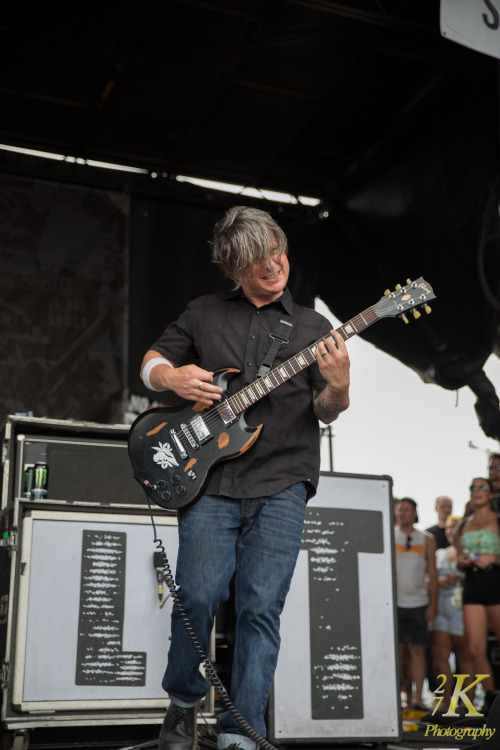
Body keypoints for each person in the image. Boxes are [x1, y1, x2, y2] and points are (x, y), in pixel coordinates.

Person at [140, 205, 351, 750]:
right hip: (208, 482)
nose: (273, 264)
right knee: (199, 596)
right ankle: (183, 704)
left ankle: (241, 733)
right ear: (235, 268)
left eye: (277, 250)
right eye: (258, 259)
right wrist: (171, 375)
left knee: (261, 609)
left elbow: (326, 411)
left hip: (283, 480)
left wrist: (340, 386)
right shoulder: (204, 312)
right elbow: (151, 362)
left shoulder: (313, 327)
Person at [457, 477, 500, 714]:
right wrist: (463, 562)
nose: (477, 490)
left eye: (482, 487)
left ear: (491, 495)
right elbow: (458, 556)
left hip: (496, 581)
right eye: (473, 487)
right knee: (475, 649)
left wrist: (494, 558)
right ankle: (492, 700)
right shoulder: (466, 522)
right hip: (472, 583)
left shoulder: (497, 520)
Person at [395, 497, 437, 710]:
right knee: (399, 651)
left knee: (418, 651)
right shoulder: (390, 535)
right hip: (395, 602)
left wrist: (433, 604)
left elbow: (433, 572)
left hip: (419, 602)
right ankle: (403, 697)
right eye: (400, 509)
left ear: (415, 512)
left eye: (407, 509)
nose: (403, 513)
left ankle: (419, 699)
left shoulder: (426, 538)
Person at [428, 515, 474, 709]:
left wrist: (461, 579)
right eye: (447, 528)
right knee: (441, 655)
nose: (450, 532)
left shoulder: (472, 554)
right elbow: (426, 576)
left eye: (454, 528)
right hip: (440, 608)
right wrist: (438, 581)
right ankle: (446, 700)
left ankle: (467, 702)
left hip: (462, 609)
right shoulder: (438, 554)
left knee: (465, 654)